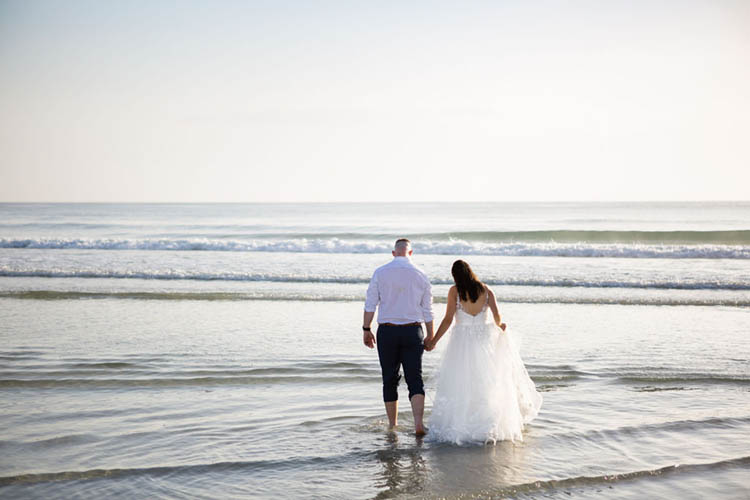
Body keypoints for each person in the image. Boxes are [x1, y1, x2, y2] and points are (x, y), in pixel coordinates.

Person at [425, 259, 542, 444]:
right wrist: (501, 326)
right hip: (484, 341)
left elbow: (448, 319)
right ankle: (488, 423)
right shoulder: (486, 290)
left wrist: (434, 340)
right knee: (486, 382)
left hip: (461, 342)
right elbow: (497, 317)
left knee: (461, 382)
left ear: (455, 276)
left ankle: (462, 425)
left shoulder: (455, 292)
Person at [363, 238, 434, 436]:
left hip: (387, 331)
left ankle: (392, 425)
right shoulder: (421, 274)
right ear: (411, 253)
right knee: (415, 379)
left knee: (389, 379)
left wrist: (366, 328)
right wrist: (431, 335)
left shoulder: (381, 272)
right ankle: (418, 424)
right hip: (413, 331)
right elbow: (428, 310)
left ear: (393, 253)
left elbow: (370, 304)